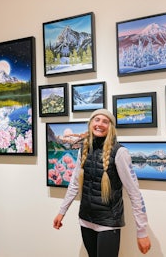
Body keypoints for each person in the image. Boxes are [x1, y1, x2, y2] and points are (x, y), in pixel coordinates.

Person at [53, 109, 151, 257]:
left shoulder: (120, 152)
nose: (100, 124)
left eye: (105, 121)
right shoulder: (83, 148)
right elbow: (74, 184)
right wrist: (62, 212)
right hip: (85, 220)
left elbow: (134, 193)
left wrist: (142, 231)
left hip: (108, 223)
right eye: (96, 120)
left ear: (110, 126)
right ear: (90, 123)